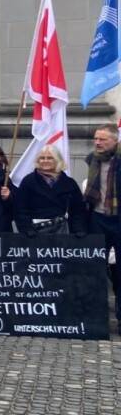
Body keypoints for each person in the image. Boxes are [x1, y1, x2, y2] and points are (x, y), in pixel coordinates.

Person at [84, 124, 121, 330]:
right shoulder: (92, 159)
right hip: (97, 218)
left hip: (118, 218)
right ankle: (95, 318)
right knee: (95, 269)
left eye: (103, 139)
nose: (97, 142)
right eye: (96, 139)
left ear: (115, 141)